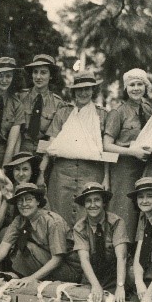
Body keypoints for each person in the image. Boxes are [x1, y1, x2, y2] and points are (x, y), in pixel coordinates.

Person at [41, 70, 108, 225]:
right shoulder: (63, 113)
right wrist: (41, 173)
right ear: (74, 91)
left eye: (87, 89)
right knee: (59, 216)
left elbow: (105, 151)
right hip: (63, 174)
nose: (83, 93)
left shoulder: (102, 115)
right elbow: (51, 145)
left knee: (87, 216)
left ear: (93, 90)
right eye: (79, 89)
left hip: (91, 173)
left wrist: (106, 178)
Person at [0, 182, 77, 284]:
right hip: (45, 263)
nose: (24, 204)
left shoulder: (52, 221)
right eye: (19, 200)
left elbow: (57, 259)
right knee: (16, 246)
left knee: (27, 247)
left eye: (28, 199)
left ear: (37, 201)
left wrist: (31, 278)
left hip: (68, 269)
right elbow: (2, 249)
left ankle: (27, 277)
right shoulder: (19, 220)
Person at [104, 68, 152, 234]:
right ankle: (119, 251)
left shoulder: (148, 109)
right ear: (126, 88)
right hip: (123, 169)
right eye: (132, 85)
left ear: (145, 87)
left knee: (142, 210)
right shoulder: (118, 112)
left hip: (144, 168)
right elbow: (107, 145)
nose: (136, 88)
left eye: (140, 84)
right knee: (123, 209)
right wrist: (132, 152)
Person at [72, 182, 129, 302]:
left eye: (97, 200)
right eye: (88, 201)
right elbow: (84, 259)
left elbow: (121, 257)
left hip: (114, 274)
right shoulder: (79, 228)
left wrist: (120, 286)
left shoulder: (116, 222)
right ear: (84, 204)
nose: (93, 205)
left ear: (104, 202)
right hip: (92, 275)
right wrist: (95, 285)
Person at [18, 54, 65, 155]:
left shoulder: (58, 104)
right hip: (21, 149)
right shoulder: (20, 98)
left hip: (44, 152)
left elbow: (55, 136)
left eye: (43, 73)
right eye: (35, 72)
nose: (38, 77)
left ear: (51, 76)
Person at [0, 151, 41, 239]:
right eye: (17, 169)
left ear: (32, 171)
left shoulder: (38, 191)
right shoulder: (5, 189)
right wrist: (7, 199)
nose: (21, 174)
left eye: (25, 169)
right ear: (12, 172)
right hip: (6, 238)